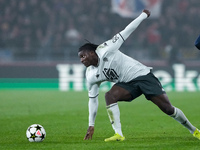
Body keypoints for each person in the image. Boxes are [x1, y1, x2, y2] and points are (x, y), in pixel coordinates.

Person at [78, 10, 200, 142]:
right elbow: (93, 100)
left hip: (142, 76)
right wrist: (91, 125)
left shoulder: (107, 49)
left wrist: (143, 15)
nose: (82, 60)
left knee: (168, 109)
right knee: (110, 96)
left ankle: (194, 130)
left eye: (83, 56)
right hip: (127, 84)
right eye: (80, 58)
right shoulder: (91, 75)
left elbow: (127, 31)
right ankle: (119, 134)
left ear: (92, 53)